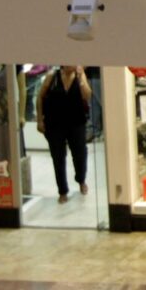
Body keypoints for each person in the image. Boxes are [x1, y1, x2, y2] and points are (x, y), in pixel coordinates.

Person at [37, 65, 93, 204]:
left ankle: (81, 180)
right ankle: (62, 190)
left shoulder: (80, 75)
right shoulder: (52, 76)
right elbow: (40, 97)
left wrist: (80, 79)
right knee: (58, 157)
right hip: (55, 124)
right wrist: (39, 119)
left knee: (80, 154)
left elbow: (87, 96)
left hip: (76, 122)